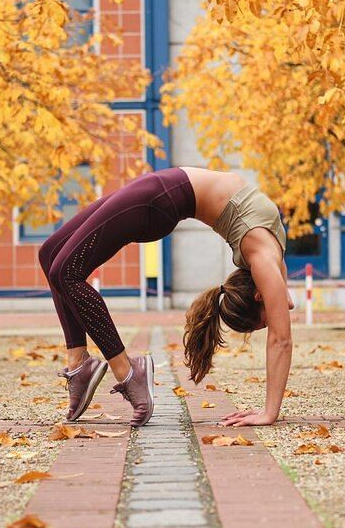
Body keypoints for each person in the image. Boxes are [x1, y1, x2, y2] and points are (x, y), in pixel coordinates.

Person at [39, 167, 293, 428]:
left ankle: (112, 368)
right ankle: (103, 367)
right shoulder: (265, 260)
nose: (280, 312)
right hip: (159, 196)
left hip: (162, 194)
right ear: (260, 294)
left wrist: (267, 408)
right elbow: (281, 340)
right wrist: (269, 413)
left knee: (64, 271)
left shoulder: (267, 257)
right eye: (265, 320)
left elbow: (282, 312)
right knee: (51, 254)